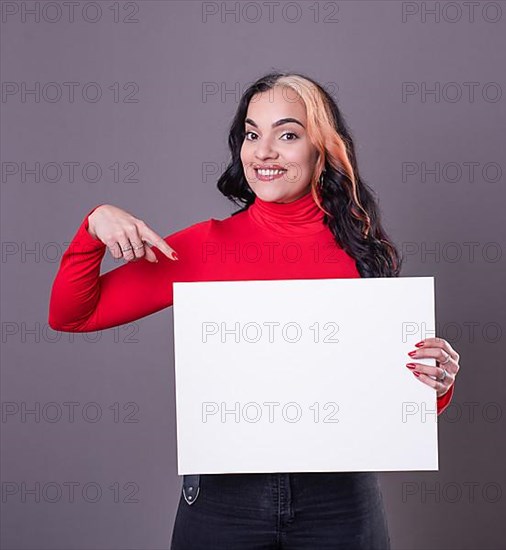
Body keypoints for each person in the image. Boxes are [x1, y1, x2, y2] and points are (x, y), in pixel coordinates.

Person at [49, 71, 460, 549]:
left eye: (287, 135)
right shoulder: (205, 246)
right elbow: (72, 314)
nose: (263, 151)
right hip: (226, 500)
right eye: (251, 133)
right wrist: (93, 226)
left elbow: (383, 399)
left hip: (339, 499)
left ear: (321, 149)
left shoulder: (362, 250)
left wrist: (435, 385)